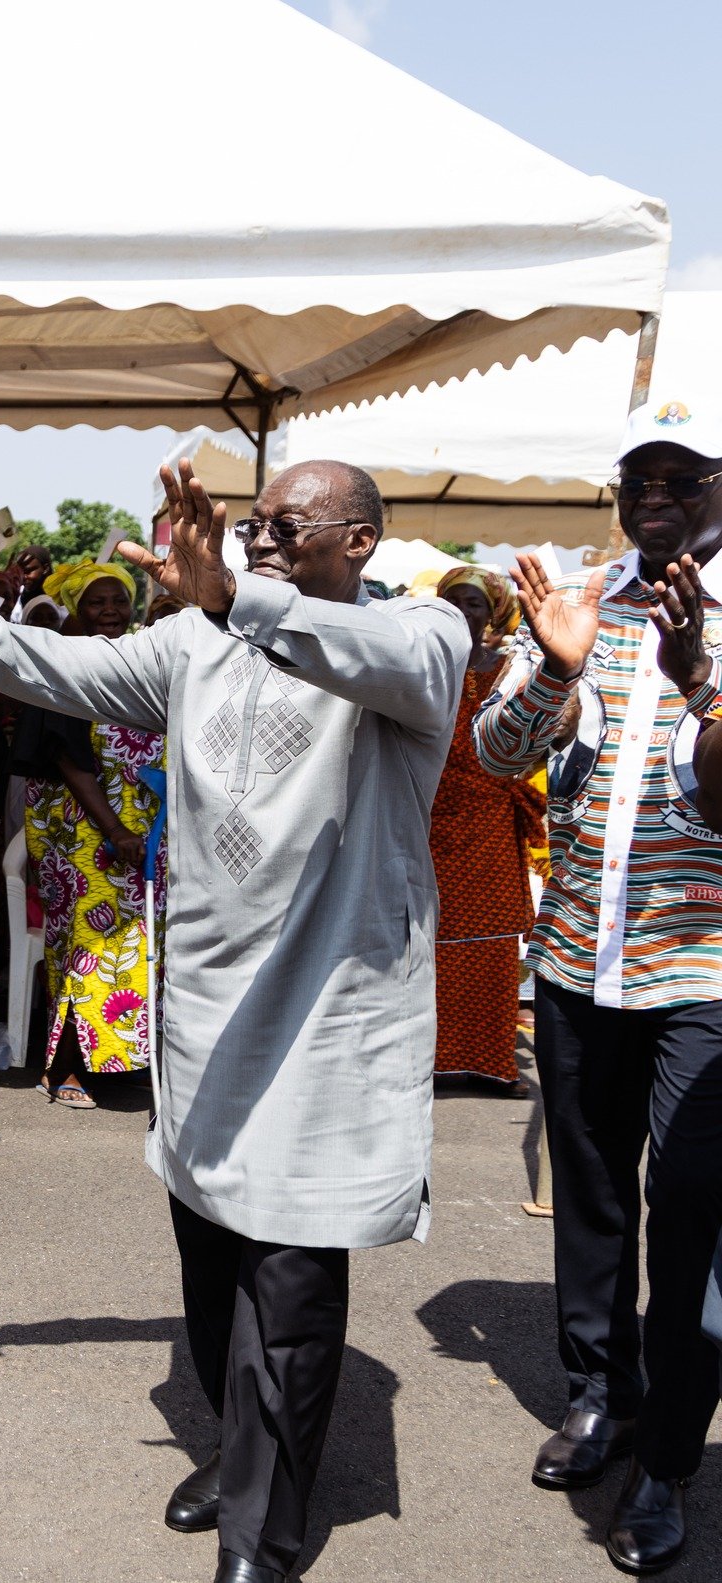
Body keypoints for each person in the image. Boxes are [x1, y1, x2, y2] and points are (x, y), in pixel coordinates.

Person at [0, 456, 466, 1583]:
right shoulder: (195, 643)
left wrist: (238, 595)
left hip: (323, 1021)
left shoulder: (420, 637)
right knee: (208, 1255)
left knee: (287, 1275)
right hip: (202, 1014)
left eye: (289, 525)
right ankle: (239, 1447)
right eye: (256, 525)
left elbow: (374, 656)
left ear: (360, 543)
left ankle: (263, 1531)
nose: (263, 539)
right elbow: (55, 664)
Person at [475, 398, 722, 1575]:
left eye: (682, 476)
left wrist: (701, 678)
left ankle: (667, 1456)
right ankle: (598, 1393)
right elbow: (494, 753)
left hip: (703, 974)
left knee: (688, 1222)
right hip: (576, 954)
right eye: (638, 477)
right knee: (587, 1197)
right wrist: (552, 670)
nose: (656, 496)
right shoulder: (577, 593)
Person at [13, 559, 164, 1107]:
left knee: (136, 945)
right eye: (97, 601)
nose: (110, 611)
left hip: (140, 833)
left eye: (119, 600)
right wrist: (116, 830)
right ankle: (66, 1068)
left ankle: (117, 1058)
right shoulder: (67, 665)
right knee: (89, 945)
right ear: (77, 606)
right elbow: (69, 760)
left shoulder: (131, 659)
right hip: (84, 836)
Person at [427, 565, 540, 1096]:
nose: (464, 612)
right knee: (428, 942)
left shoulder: (512, 667)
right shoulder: (425, 661)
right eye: (455, 600)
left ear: (494, 609)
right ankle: (425, 1061)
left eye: (475, 603)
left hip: (491, 820)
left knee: (491, 943)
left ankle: (493, 1064)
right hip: (429, 818)